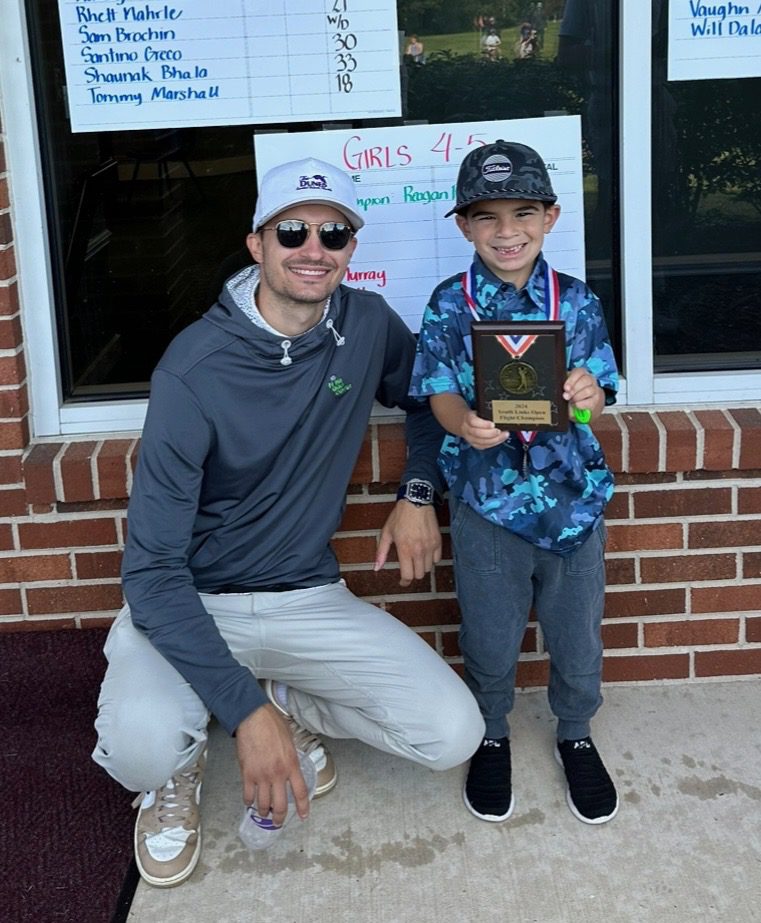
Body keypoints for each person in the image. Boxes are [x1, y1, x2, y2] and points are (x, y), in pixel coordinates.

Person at [92, 156, 484, 888]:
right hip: (192, 600)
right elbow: (150, 571)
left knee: (450, 733)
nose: (314, 248)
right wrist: (244, 719)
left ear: (349, 248)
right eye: (293, 231)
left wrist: (419, 493)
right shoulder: (192, 368)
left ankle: (280, 698)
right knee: (140, 748)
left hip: (305, 595)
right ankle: (181, 762)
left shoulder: (364, 323)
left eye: (333, 233)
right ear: (256, 245)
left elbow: (428, 399)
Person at [409, 141, 620, 826]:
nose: (506, 232)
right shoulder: (449, 304)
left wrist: (586, 393)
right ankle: (491, 732)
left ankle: (575, 733)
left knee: (576, 634)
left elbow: (593, 400)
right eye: (487, 216)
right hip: (486, 503)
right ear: (463, 225)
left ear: (551, 217)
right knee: (490, 632)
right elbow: (434, 389)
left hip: (570, 507)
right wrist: (460, 422)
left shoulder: (576, 300)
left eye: (522, 213)